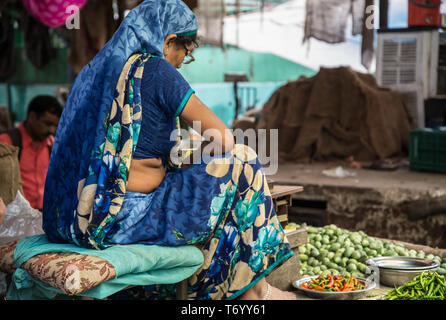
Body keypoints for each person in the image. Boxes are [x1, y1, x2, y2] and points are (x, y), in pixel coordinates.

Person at [42, 0, 298, 300]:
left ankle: (251, 291)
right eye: (184, 53)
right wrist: (201, 156)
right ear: (168, 41)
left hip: (84, 217)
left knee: (218, 195)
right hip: (132, 217)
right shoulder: (154, 69)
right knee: (243, 160)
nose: (181, 62)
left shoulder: (98, 71)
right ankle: (251, 292)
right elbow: (224, 140)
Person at [0, 95, 62, 211]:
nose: (52, 130)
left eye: (55, 126)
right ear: (32, 117)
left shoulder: (52, 144)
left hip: (43, 215)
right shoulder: (7, 142)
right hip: (16, 217)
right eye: (47, 124)